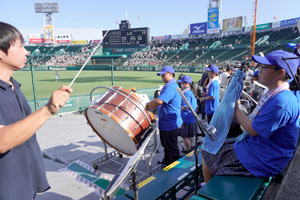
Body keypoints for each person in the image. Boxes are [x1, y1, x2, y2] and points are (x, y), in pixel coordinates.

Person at [201, 50, 300, 185]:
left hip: (264, 158)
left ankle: (208, 190)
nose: (259, 70)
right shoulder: (276, 94)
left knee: (207, 152)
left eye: (264, 67)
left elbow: (253, 130)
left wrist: (235, 109)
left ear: (280, 72)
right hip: (260, 148)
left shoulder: (281, 102)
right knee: (212, 146)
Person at [0, 22, 72, 199]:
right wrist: (47, 110)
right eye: (20, 46)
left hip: (25, 184)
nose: (26, 52)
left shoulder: (13, 86)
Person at [146, 66, 183, 166]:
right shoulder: (170, 86)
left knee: (172, 148)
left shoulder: (171, 87)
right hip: (167, 123)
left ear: (170, 74)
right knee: (166, 146)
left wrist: (147, 105)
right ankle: (166, 162)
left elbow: (159, 101)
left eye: (163, 74)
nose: (162, 77)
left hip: (170, 124)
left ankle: (174, 168)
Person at [178, 75, 197, 153]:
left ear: (186, 84)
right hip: (191, 117)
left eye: (182, 83)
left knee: (185, 136)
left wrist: (177, 107)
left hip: (186, 117)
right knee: (190, 135)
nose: (181, 84)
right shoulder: (189, 92)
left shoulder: (186, 93)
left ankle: (188, 150)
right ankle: (191, 148)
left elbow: (186, 106)